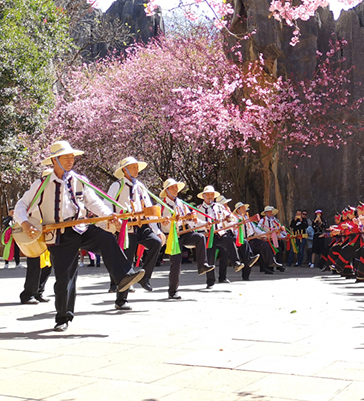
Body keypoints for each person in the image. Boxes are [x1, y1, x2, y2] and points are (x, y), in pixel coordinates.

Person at [14, 140, 145, 331]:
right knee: (65, 277)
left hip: (80, 228)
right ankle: (62, 317)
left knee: (105, 238)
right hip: (59, 234)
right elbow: (21, 205)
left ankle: (124, 276)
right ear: (54, 160)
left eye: (72, 157)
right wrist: (25, 223)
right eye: (66, 157)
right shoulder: (41, 184)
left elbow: (94, 203)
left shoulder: (79, 180)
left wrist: (109, 216)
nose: (71, 160)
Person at [107, 157, 165, 309]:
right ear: (124, 170)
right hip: (126, 227)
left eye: (136, 167)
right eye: (132, 167)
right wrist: (115, 221)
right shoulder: (116, 185)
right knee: (126, 262)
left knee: (156, 242)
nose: (136, 170)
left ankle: (145, 277)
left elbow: (149, 208)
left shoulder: (140, 186)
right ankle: (121, 300)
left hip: (141, 225)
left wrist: (157, 230)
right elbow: (107, 205)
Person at [157, 178, 215, 299]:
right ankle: (172, 292)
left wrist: (203, 224)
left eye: (176, 187)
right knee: (176, 264)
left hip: (184, 232)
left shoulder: (181, 203)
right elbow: (160, 223)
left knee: (199, 238)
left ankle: (202, 265)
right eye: (173, 187)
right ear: (166, 190)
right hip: (172, 236)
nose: (175, 189)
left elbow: (191, 219)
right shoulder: (160, 205)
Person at [197, 186, 243, 285]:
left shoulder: (220, 207)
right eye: (208, 194)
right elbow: (195, 223)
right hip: (208, 236)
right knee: (210, 257)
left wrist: (230, 220)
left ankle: (236, 262)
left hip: (220, 233)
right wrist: (204, 227)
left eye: (212, 194)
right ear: (203, 196)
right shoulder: (198, 209)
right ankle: (210, 281)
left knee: (230, 240)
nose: (210, 196)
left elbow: (231, 218)